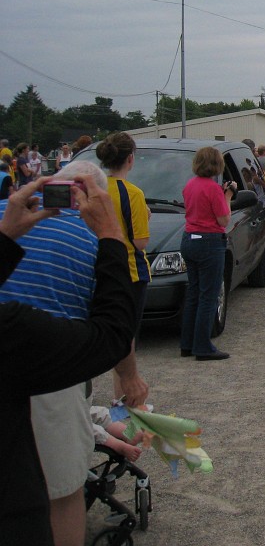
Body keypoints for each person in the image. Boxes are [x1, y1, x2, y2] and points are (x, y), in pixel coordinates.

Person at [1, 174, 136, 546]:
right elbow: (111, 328)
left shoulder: (10, 223)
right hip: (50, 368)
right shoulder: (88, 235)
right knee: (61, 491)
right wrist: (111, 232)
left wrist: (7, 235)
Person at [96, 132, 151, 402]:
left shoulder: (95, 190)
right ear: (131, 158)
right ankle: (125, 398)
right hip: (129, 270)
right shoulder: (132, 193)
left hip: (97, 269)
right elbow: (140, 241)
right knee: (126, 337)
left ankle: (118, 396)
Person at [180, 146, 235, 358]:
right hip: (209, 241)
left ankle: (187, 342)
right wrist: (228, 196)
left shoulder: (190, 185)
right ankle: (203, 345)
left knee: (193, 293)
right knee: (209, 295)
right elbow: (223, 219)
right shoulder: (212, 188)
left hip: (189, 238)